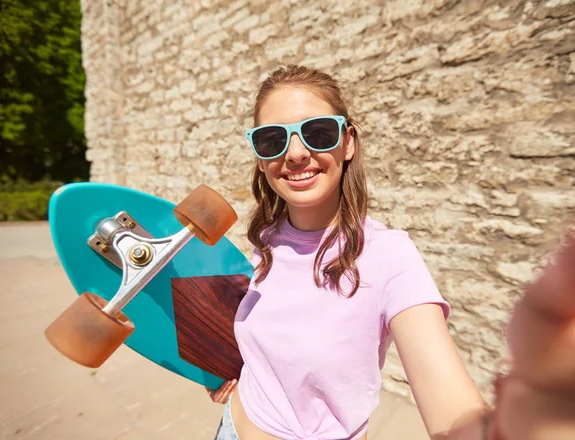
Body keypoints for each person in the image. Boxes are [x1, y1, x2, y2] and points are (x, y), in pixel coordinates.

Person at [206, 64, 575, 440]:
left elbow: (452, 411)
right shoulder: (266, 238)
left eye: (318, 133)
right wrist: (233, 367)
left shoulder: (388, 255)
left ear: (348, 141)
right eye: (273, 140)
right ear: (259, 154)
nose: (296, 153)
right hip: (232, 428)